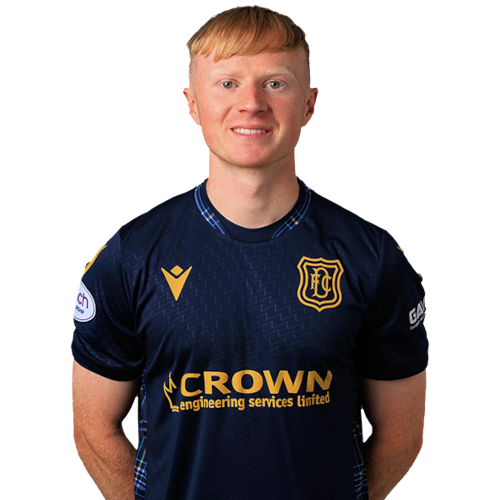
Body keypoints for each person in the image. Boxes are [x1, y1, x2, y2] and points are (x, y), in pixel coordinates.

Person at [71, 5, 429, 500]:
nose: (252, 104)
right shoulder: (128, 257)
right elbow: (94, 431)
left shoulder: (373, 258)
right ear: (192, 103)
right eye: (227, 84)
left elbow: (403, 435)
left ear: (310, 104)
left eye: (275, 83)